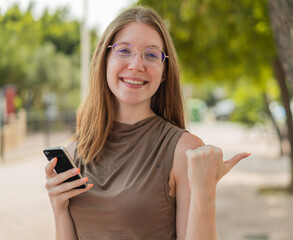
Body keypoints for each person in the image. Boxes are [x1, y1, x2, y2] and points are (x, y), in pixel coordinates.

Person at [44, 6, 250, 240]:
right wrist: (59, 209)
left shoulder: (183, 150)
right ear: (105, 59)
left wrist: (206, 193)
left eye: (151, 55)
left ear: (164, 72)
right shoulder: (74, 153)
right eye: (124, 51)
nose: (136, 65)